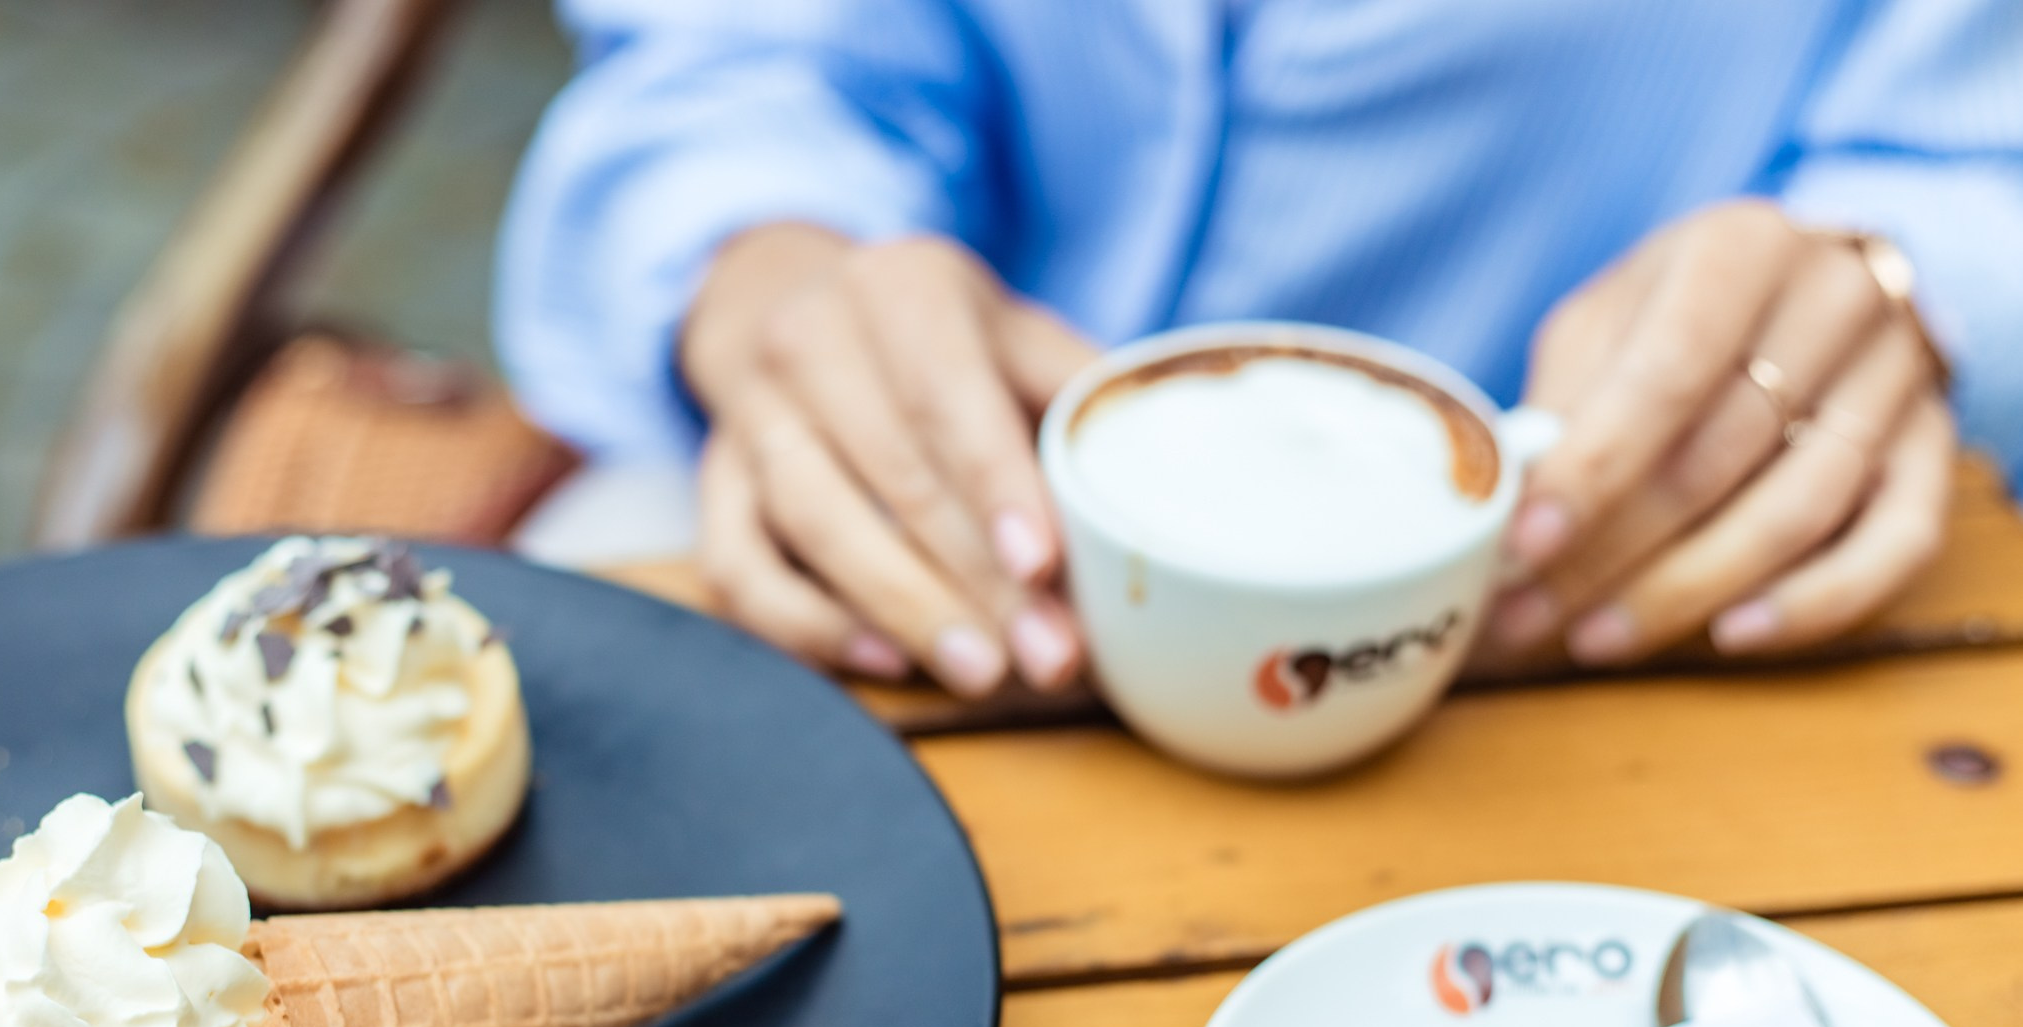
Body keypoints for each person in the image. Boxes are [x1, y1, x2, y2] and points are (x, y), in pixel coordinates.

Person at [493, 0, 2023, 697]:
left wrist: (1907, 284)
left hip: (1614, 613)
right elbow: (737, 51)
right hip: (872, 519)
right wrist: (767, 257)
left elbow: (1977, 162)